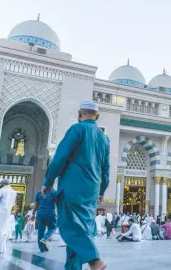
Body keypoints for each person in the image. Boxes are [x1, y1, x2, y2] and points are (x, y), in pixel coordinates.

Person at [41, 100, 110, 270]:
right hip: (92, 190)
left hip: (73, 187)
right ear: (97, 116)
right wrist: (101, 190)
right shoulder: (104, 138)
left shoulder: (77, 129)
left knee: (68, 225)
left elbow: (59, 158)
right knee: (82, 228)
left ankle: (94, 260)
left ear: (80, 114)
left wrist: (48, 181)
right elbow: (105, 169)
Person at [32, 187, 58, 252]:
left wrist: (33, 214)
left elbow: (36, 204)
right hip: (50, 214)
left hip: (40, 214)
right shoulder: (53, 192)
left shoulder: (39, 192)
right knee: (53, 228)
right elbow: (58, 203)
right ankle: (44, 239)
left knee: (40, 231)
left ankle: (41, 248)